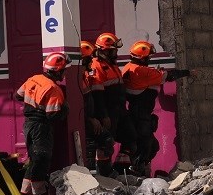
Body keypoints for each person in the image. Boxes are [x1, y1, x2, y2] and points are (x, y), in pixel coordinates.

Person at [122, 41, 190, 176]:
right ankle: (137, 173)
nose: (149, 59)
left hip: (136, 112)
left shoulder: (128, 67)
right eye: (148, 57)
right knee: (146, 145)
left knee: (152, 146)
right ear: (142, 58)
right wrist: (188, 72)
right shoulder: (141, 71)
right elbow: (168, 76)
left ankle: (138, 170)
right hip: (141, 113)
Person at [16, 53, 68, 195]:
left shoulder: (34, 79)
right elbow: (53, 115)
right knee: (42, 159)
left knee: (34, 160)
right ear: (57, 71)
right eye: (63, 70)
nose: (64, 73)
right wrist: (65, 108)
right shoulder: (53, 89)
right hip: (41, 127)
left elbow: (18, 96)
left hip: (29, 125)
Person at [91, 33, 132, 168]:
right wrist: (104, 116)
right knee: (106, 143)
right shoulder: (96, 66)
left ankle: (121, 169)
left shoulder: (111, 65)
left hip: (119, 109)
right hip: (109, 111)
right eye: (113, 50)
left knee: (131, 135)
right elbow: (98, 95)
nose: (116, 52)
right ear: (105, 51)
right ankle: (104, 173)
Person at [80, 41, 114, 175]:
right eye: (89, 59)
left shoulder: (84, 76)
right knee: (90, 149)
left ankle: (104, 174)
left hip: (91, 119)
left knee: (106, 140)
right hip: (85, 121)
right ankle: (92, 177)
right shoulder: (76, 78)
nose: (92, 61)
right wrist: (89, 119)